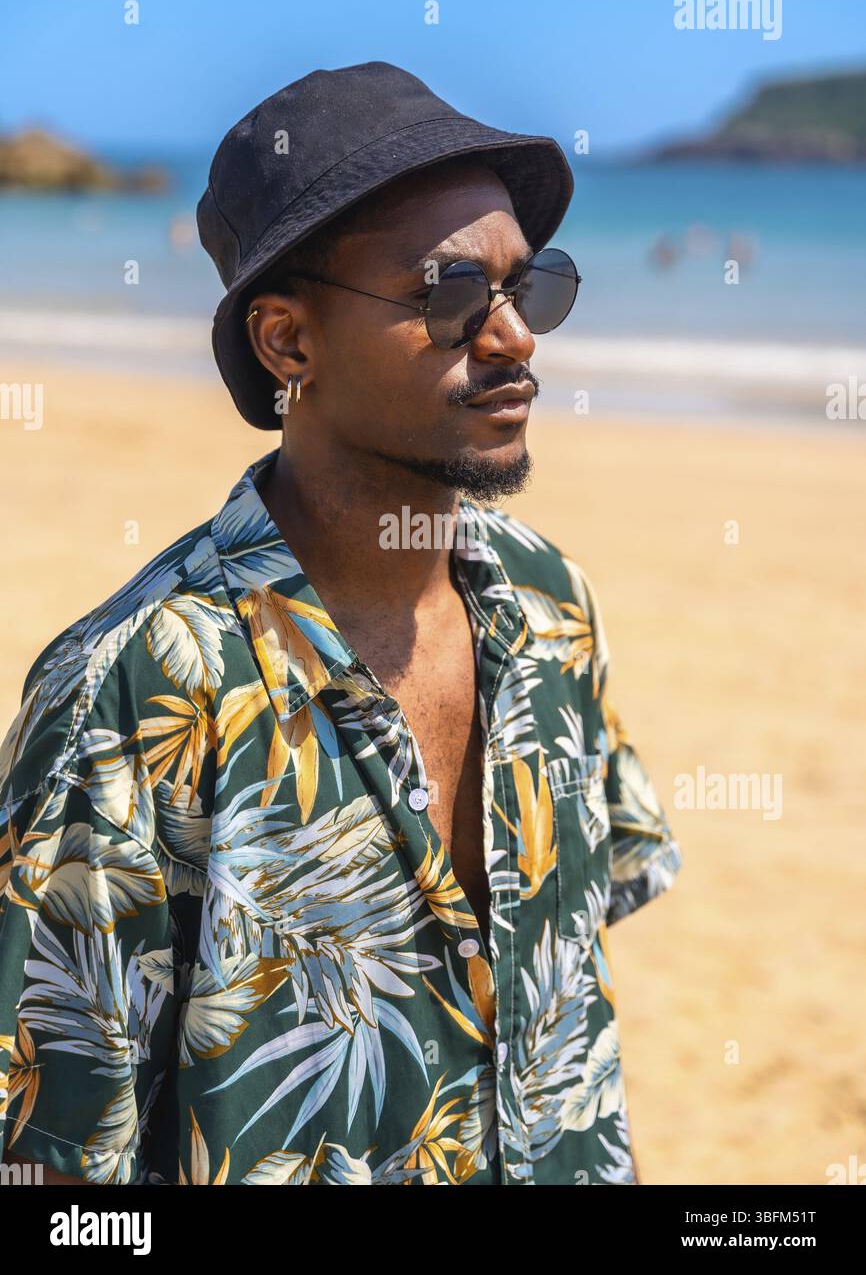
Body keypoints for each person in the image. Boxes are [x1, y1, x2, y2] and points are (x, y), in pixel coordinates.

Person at [0, 62, 682, 1186]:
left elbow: (563, 993)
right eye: (452, 294)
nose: (514, 338)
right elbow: (54, 1170)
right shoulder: (133, 691)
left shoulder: (552, 608)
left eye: (530, 287)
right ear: (288, 345)